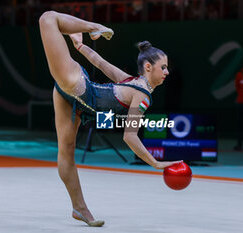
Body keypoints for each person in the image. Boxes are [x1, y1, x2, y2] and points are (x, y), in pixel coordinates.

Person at [39, 11, 182, 227]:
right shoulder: (139, 92)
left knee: (66, 150)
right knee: (47, 18)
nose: (167, 72)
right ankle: (92, 26)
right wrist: (155, 162)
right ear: (148, 67)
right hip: (76, 84)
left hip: (75, 98)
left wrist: (80, 46)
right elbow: (130, 137)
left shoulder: (135, 87)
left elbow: (100, 63)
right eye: (163, 67)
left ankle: (79, 208)